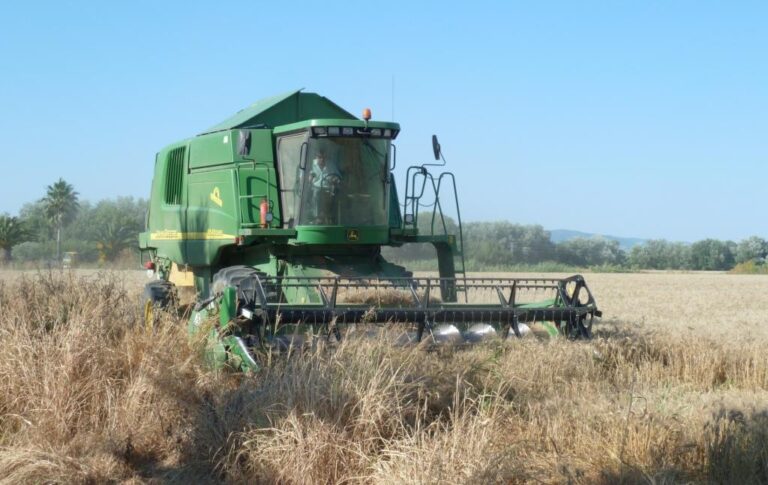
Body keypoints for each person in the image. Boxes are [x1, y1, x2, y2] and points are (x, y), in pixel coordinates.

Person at [307, 150, 342, 224]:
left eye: (324, 157)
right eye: (320, 157)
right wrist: (309, 177)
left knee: (337, 194)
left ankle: (332, 217)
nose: (322, 159)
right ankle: (317, 217)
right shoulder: (311, 165)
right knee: (317, 193)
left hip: (329, 188)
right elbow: (304, 178)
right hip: (315, 188)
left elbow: (338, 177)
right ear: (316, 157)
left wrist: (335, 179)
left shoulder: (331, 164)